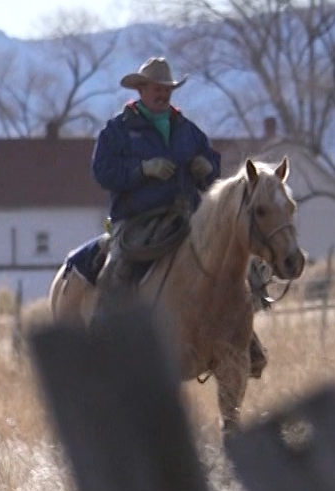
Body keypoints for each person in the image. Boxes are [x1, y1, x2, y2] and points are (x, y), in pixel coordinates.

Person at [90, 56, 266, 373]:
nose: (163, 94)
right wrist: (142, 169)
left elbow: (212, 168)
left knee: (231, 260)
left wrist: (206, 167)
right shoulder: (117, 132)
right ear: (141, 89)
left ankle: (245, 340)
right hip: (136, 220)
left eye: (167, 88)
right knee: (117, 269)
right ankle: (103, 347)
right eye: (157, 88)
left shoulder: (187, 130)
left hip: (189, 215)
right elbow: (103, 172)